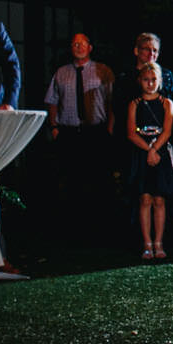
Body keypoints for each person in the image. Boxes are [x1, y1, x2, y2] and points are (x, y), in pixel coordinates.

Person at [43, 32, 115, 218]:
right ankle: (73, 221)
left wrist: (109, 129)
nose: (79, 47)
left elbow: (111, 101)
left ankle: (97, 220)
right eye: (75, 44)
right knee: (70, 180)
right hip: (69, 133)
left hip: (96, 132)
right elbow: (52, 100)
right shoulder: (61, 72)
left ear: (90, 47)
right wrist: (54, 127)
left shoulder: (102, 70)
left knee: (97, 179)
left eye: (82, 43)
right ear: (71, 48)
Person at [125, 61, 173, 261]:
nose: (150, 84)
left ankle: (159, 242)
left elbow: (168, 130)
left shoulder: (167, 103)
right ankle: (147, 243)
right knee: (145, 199)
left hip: (160, 152)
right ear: (140, 81)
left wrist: (155, 149)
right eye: (146, 80)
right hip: (141, 153)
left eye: (154, 80)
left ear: (160, 81)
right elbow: (131, 133)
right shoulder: (134, 104)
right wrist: (148, 150)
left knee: (159, 199)